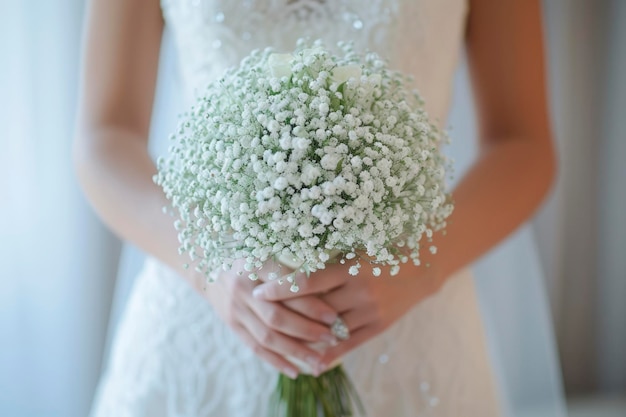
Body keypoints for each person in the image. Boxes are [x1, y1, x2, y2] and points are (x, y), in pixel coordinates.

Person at [74, 0, 561, 415]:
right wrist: (207, 263)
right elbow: (104, 138)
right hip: (209, 310)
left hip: (410, 318)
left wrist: (422, 261)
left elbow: (522, 144)